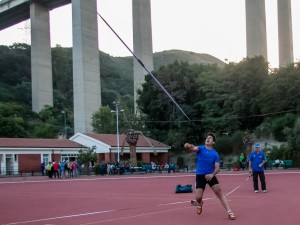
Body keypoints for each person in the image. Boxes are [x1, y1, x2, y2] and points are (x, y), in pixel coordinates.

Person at [184, 132, 235, 220]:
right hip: (200, 175)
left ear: (213, 142)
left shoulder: (215, 154)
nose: (208, 139)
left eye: (210, 138)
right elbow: (193, 148)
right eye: (207, 138)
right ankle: (200, 203)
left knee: (219, 193)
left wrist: (212, 175)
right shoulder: (200, 148)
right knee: (198, 197)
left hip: (210, 175)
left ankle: (230, 211)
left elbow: (217, 168)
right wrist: (187, 145)